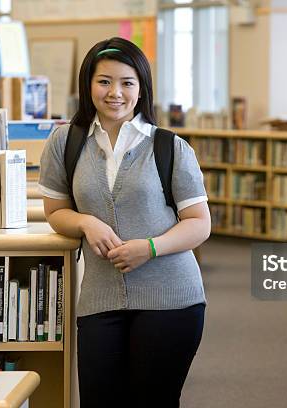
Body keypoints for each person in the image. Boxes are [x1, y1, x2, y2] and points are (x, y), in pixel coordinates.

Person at [38, 37, 211, 407]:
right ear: (88, 85)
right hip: (99, 297)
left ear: (141, 88)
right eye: (104, 81)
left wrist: (150, 247)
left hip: (172, 298)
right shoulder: (65, 142)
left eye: (126, 82)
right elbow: (55, 212)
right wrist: (86, 223)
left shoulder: (170, 146)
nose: (115, 92)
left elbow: (199, 223)